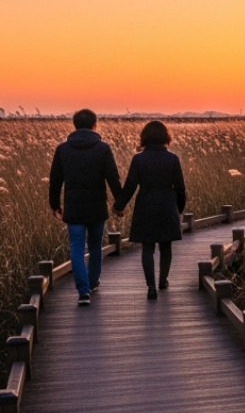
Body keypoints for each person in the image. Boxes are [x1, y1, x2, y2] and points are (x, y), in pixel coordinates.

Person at [49, 109, 123, 306]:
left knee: (76, 247)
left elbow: (55, 181)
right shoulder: (103, 148)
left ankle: (83, 291)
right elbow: (113, 179)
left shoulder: (63, 149)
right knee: (95, 245)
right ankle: (92, 282)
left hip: (73, 207)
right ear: (94, 125)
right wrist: (119, 203)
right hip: (97, 207)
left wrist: (55, 205)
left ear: (74, 125)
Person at [115, 120, 186, 300]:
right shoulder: (173, 158)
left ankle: (151, 286)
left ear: (144, 137)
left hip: (145, 204)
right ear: (165, 136)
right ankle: (163, 280)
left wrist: (119, 205)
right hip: (167, 205)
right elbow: (180, 188)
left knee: (147, 247)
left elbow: (130, 186)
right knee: (166, 246)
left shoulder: (138, 159)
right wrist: (178, 209)